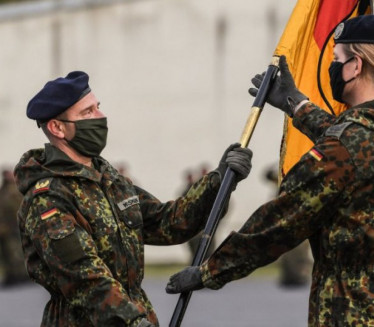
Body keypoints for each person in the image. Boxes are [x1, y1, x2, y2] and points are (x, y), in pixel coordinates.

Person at [166, 15, 374, 326]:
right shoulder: (355, 141)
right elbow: (355, 144)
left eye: (335, 59)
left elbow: (280, 221)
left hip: (353, 312)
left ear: (355, 66)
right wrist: (298, 105)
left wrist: (210, 271)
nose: (331, 67)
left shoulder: (344, 148)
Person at [14, 71, 253, 327]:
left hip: (135, 316)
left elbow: (168, 223)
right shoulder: (48, 198)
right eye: (87, 112)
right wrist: (132, 322)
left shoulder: (108, 179)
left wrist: (219, 182)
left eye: (98, 107)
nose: (100, 116)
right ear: (57, 127)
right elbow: (85, 277)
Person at [0, 169, 29, 287]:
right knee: (8, 252)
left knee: (17, 251)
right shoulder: (3, 191)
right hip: (6, 227)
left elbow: (21, 206)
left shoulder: (17, 189)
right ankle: (12, 275)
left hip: (16, 225)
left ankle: (22, 274)